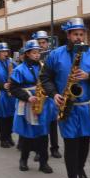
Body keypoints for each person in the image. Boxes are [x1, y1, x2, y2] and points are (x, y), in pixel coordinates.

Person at [40, 18, 90, 178]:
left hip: (86, 106)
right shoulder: (55, 55)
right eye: (75, 34)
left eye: (81, 34)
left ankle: (80, 167)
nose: (79, 37)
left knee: (84, 142)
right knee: (71, 144)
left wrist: (89, 76)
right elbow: (45, 78)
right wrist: (53, 95)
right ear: (68, 35)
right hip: (66, 105)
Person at [10, 40, 55, 173]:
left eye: (38, 52)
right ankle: (23, 160)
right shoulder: (19, 69)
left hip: (43, 103)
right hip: (27, 103)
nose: (37, 55)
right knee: (27, 135)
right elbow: (13, 88)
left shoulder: (43, 67)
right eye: (34, 53)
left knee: (43, 134)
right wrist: (28, 97)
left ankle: (43, 162)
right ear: (27, 54)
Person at [32, 30, 62, 159]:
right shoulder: (32, 60)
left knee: (53, 124)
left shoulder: (52, 56)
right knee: (39, 124)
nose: (41, 46)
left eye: (43, 43)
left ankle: (54, 148)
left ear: (47, 44)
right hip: (38, 95)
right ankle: (39, 151)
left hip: (51, 95)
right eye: (39, 43)